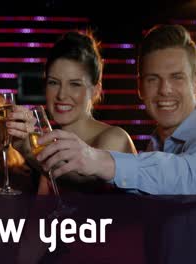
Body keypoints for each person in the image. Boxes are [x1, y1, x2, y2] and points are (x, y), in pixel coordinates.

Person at [36, 24, 196, 195]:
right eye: (153, 79)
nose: (165, 89)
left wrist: (97, 160)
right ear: (140, 87)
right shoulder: (155, 145)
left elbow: (190, 176)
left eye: (177, 77)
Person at [20, 31, 136, 194]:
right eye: (54, 83)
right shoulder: (52, 147)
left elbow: (83, 183)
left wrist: (28, 150)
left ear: (96, 90)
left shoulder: (114, 138)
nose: (61, 95)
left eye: (74, 84)